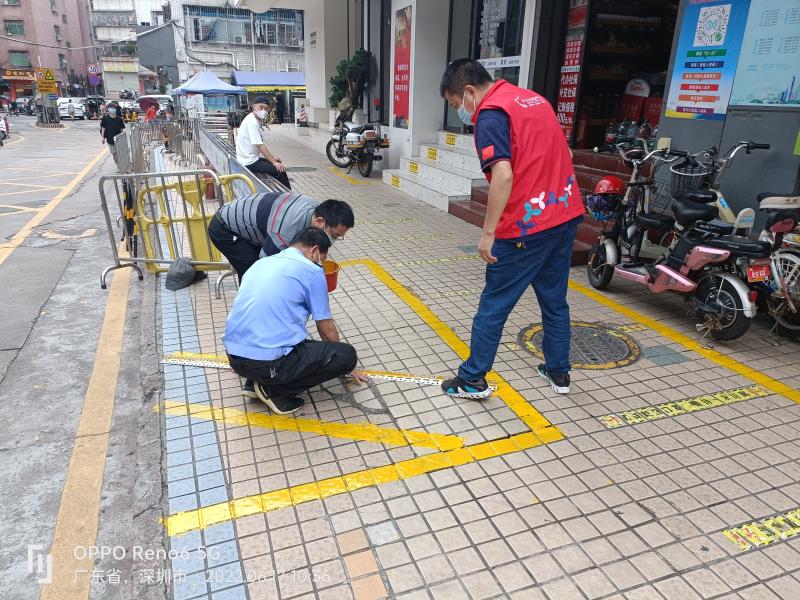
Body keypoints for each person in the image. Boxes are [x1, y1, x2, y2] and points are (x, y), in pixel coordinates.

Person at [438, 59, 585, 397]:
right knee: (555, 302)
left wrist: (488, 232)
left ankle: (473, 379)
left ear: (470, 91)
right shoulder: (533, 100)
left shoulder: (490, 115)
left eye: (457, 103)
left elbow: (502, 175)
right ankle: (559, 373)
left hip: (525, 228)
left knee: (494, 305)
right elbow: (563, 153)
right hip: (563, 215)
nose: (461, 111)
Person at [224, 227, 367, 414]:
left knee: (296, 342)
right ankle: (274, 390)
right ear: (314, 251)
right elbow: (325, 327)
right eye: (321, 260)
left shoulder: (261, 263)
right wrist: (346, 366)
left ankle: (253, 382)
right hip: (267, 364)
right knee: (345, 354)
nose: (320, 264)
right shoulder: (311, 271)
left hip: (234, 357)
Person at [208, 192, 354, 279]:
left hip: (251, 222)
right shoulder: (283, 234)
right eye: (335, 235)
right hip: (225, 228)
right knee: (252, 273)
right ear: (320, 222)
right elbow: (265, 268)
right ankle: (251, 313)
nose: (333, 240)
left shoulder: (315, 210)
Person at [235, 96, 291, 188]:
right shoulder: (252, 122)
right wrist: (273, 162)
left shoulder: (252, 119)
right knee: (280, 170)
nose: (263, 111)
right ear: (254, 107)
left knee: (276, 162)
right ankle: (288, 195)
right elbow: (259, 145)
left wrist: (273, 159)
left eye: (266, 108)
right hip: (249, 162)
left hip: (251, 159)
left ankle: (279, 191)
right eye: (261, 107)